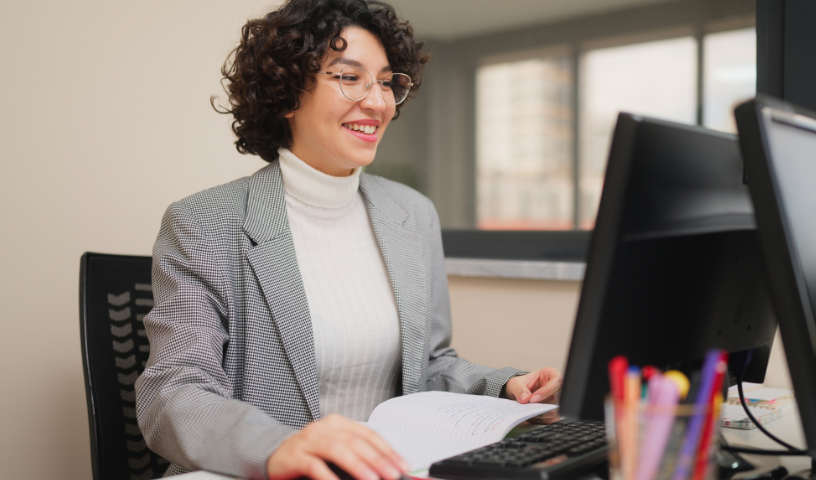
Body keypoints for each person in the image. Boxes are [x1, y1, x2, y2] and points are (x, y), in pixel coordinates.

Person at [134, 1, 562, 479]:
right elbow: (173, 394)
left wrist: (507, 387)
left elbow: (431, 365)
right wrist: (281, 447)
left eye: (385, 81)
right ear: (289, 93)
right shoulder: (203, 222)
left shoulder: (412, 214)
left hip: (388, 469)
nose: (378, 103)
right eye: (349, 77)